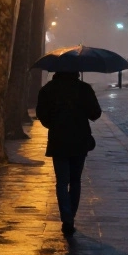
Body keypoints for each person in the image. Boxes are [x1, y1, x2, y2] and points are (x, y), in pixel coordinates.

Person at [35, 70, 102, 235]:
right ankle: (71, 215)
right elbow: (96, 113)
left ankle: (67, 219)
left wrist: (54, 124)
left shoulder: (48, 89)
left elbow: (41, 115)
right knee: (76, 181)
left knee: (62, 182)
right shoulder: (84, 88)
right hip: (80, 140)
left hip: (58, 140)